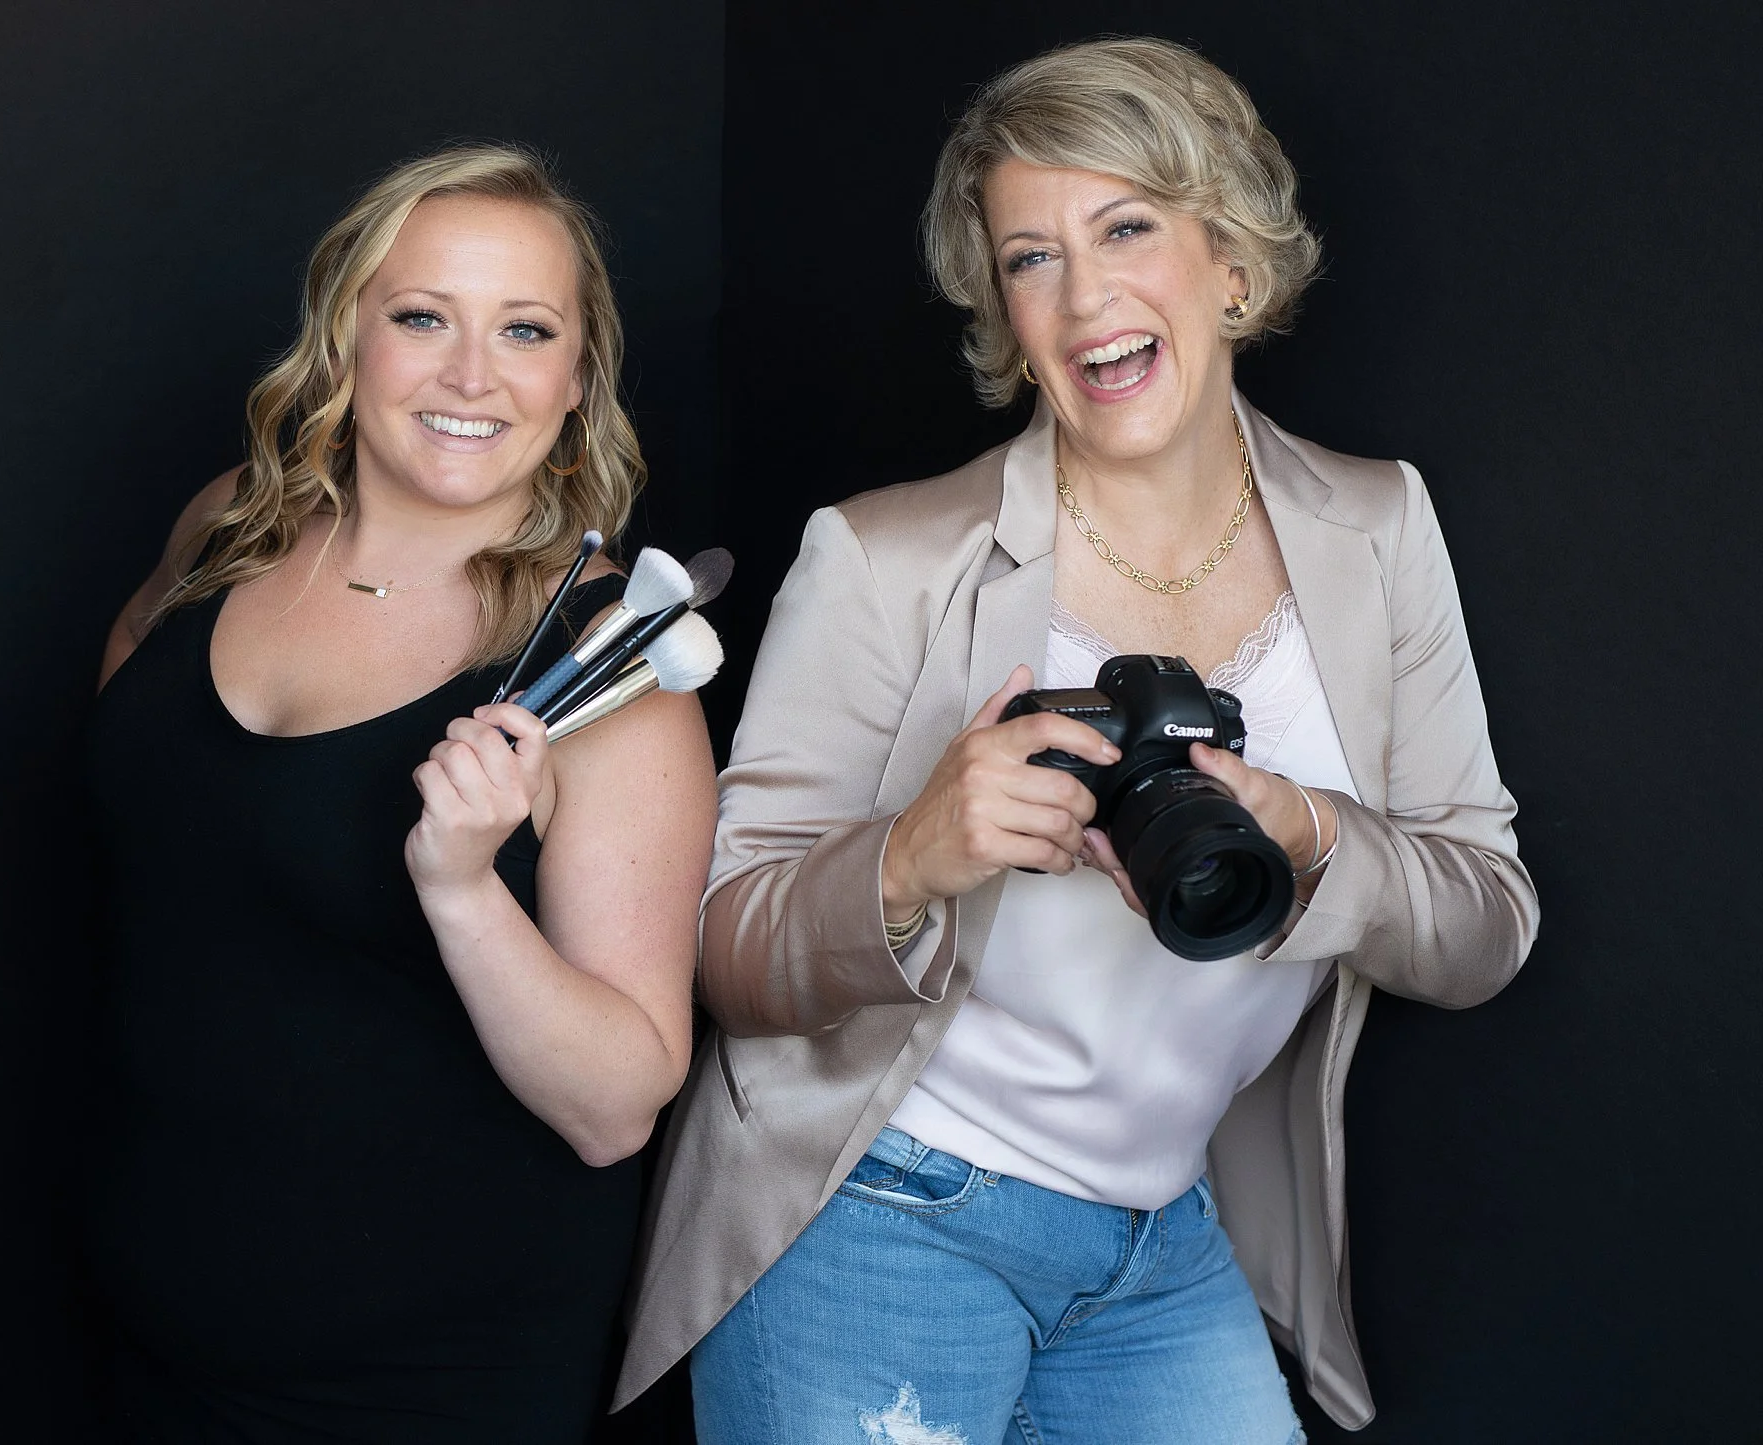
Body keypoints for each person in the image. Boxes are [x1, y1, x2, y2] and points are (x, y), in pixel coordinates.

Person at [617, 38, 1538, 1443]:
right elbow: (725, 956)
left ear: (1230, 260)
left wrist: (1313, 840)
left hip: (1160, 1239)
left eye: (1127, 229)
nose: (1087, 295)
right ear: (1002, 309)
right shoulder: (887, 559)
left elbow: (1488, 928)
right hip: (880, 1207)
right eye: (1030, 257)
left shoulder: (1380, 526)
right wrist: (916, 858)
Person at [87, 144, 715, 1444]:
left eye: (525, 329)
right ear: (346, 337)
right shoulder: (230, 529)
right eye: (424, 317)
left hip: (425, 1383)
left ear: (577, 373)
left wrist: (461, 889)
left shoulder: (605, 673)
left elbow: (614, 1108)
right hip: (138, 1336)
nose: (472, 374)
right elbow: (142, 772)